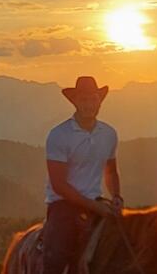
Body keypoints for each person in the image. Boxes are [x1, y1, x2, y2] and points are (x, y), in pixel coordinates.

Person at [42, 76, 122, 274]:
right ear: (75, 101)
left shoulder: (109, 134)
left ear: (99, 101)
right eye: (83, 99)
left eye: (93, 99)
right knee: (57, 257)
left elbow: (110, 171)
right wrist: (95, 206)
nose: (89, 104)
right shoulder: (59, 135)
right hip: (63, 205)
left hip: (97, 201)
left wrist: (116, 197)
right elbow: (59, 184)